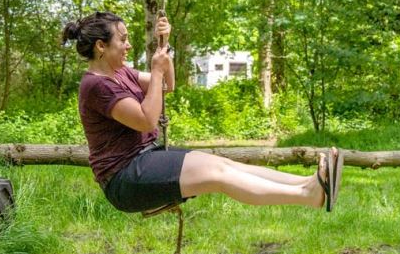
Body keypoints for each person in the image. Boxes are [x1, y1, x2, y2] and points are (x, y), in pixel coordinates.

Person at [61, 11, 340, 215]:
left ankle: (308, 183)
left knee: (227, 165)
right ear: (101, 46)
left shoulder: (123, 73)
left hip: (145, 158)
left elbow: (167, 85)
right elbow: (146, 118)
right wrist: (157, 69)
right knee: (218, 175)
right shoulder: (95, 86)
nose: (128, 46)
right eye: (122, 40)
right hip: (124, 179)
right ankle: (307, 196)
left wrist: (163, 48)